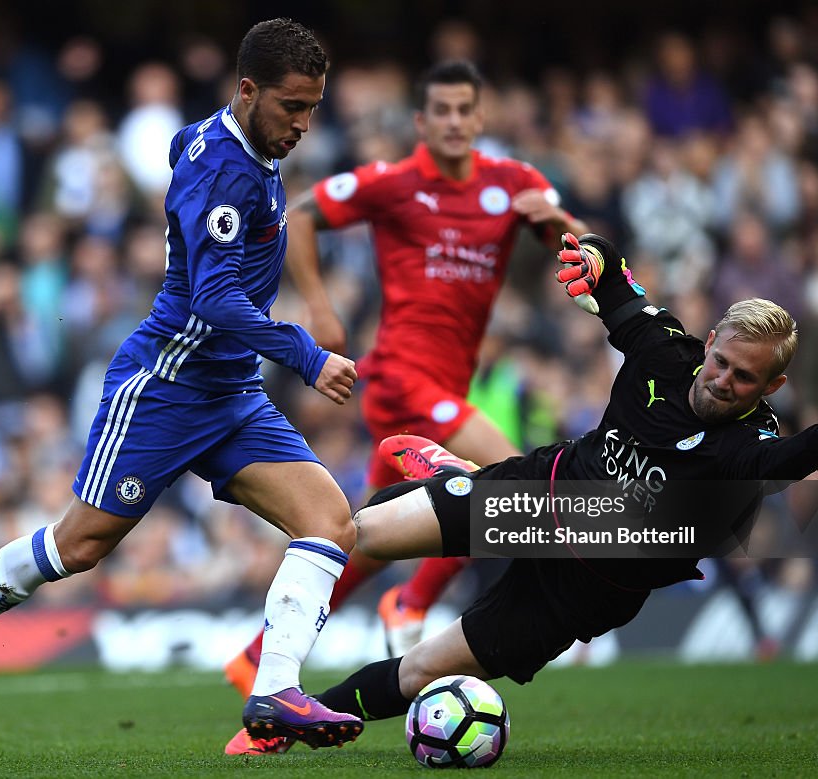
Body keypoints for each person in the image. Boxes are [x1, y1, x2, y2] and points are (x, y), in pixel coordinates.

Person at [0, 18, 364, 750]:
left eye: (312, 108)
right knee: (79, 546)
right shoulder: (223, 172)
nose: (305, 124)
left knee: (330, 521)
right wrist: (306, 354)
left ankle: (275, 690)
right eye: (292, 107)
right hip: (166, 387)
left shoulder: (228, 141)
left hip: (232, 390)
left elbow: (186, 146)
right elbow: (212, 298)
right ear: (248, 92)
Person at [228, 231, 818, 753]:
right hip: (542, 498)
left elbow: (781, 461)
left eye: (745, 378)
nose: (724, 381)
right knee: (354, 533)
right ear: (709, 344)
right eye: (722, 362)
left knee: (419, 671)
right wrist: (590, 255)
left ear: (771, 386)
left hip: (589, 586)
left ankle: (286, 728)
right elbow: (615, 275)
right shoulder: (662, 352)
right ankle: (279, 687)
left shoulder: (749, 442)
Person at [223, 59, 586, 696]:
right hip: (399, 379)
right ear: (422, 121)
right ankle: (413, 605)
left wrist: (560, 228)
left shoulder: (514, 182)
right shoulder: (395, 183)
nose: (452, 122)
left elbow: (585, 251)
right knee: (510, 492)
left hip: (450, 386)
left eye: (463, 110)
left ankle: (257, 655)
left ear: (480, 118)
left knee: (367, 534)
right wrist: (320, 307)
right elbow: (302, 213)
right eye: (439, 111)